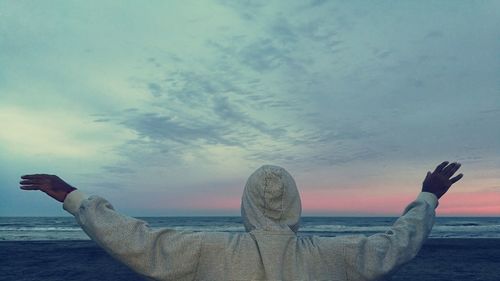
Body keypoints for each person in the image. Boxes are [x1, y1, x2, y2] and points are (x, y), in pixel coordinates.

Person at [20, 161, 463, 281]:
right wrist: (427, 197)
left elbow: (135, 239)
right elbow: (397, 243)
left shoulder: (206, 250)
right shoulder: (337, 255)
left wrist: (73, 197)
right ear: (296, 203)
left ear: (246, 204)